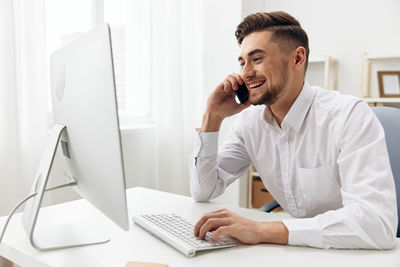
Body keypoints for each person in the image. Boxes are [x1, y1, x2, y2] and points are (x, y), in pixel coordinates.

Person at [188, 11, 398, 249]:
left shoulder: (348, 116)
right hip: (298, 250)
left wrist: (261, 229)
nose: (245, 73)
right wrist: (212, 117)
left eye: (257, 59)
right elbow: (203, 190)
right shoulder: (250, 123)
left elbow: (377, 223)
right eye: (242, 62)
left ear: (298, 59)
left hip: (353, 253)